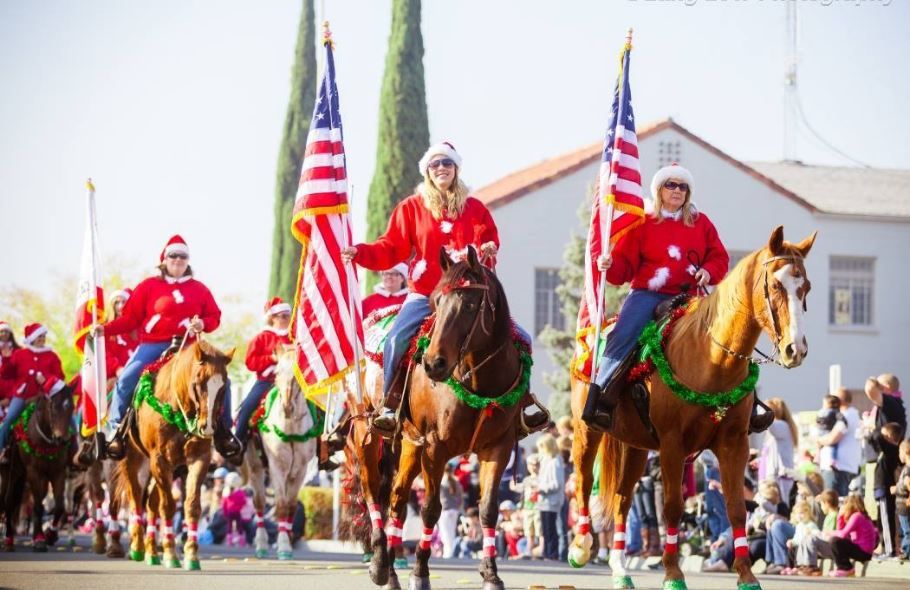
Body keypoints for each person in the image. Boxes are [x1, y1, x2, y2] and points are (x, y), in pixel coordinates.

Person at [340, 142, 545, 434]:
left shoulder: (474, 208)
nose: (441, 169)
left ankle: (523, 407)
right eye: (435, 165)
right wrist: (359, 252)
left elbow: (489, 237)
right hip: (425, 294)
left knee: (521, 338)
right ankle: (390, 404)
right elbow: (390, 247)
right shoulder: (411, 208)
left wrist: (489, 246)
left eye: (447, 164)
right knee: (396, 340)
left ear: (456, 168)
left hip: (468, 298)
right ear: (426, 171)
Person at [582, 163, 730, 431]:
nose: (677, 190)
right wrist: (608, 264)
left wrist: (708, 272)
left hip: (691, 297)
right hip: (648, 294)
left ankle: (745, 405)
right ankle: (601, 398)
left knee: (729, 334)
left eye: (682, 186)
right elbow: (622, 270)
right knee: (623, 333)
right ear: (659, 190)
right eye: (671, 185)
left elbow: (719, 257)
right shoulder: (643, 223)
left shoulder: (701, 223)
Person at [91, 235, 240, 461]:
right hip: (154, 344)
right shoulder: (148, 286)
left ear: (188, 260)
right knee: (126, 379)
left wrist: (203, 324)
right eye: (173, 255)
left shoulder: (199, 289)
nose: (178, 260)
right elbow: (130, 318)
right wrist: (105, 329)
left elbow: (215, 316)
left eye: (183, 256)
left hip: (190, 347)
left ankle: (223, 432)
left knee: (221, 379)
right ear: (164, 258)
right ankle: (116, 432)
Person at [0, 323, 67, 464]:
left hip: (46, 396)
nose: (42, 339)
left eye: (43, 336)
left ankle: (73, 455)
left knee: (67, 419)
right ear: (31, 338)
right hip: (22, 397)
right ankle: (2, 449)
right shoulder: (20, 354)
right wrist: (6, 359)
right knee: (9, 420)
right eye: (39, 336)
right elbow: (6, 374)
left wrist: (46, 380)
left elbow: (61, 376)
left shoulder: (52, 356)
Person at [235, 297, 293, 448]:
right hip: (268, 382)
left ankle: (324, 449)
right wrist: (272, 358)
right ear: (272, 318)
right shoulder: (262, 337)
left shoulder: (296, 337)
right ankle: (237, 443)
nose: (287, 319)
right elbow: (250, 362)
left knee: (317, 407)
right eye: (283, 316)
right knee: (247, 407)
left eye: (289, 315)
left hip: (294, 382)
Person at [864, 373, 906, 556]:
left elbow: (870, 389)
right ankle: (886, 545)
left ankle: (889, 548)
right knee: (884, 506)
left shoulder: (889, 401)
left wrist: (872, 381)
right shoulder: (893, 405)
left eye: (881, 387)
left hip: (887, 463)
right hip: (887, 461)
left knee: (886, 506)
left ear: (886, 388)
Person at [758, 398, 798, 506]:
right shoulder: (781, 428)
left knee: (778, 507)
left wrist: (763, 411)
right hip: (774, 476)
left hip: (779, 477)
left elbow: (770, 425)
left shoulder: (782, 426)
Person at [828, 494, 878, 577]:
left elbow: (842, 534)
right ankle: (843, 568)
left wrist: (829, 533)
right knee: (836, 540)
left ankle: (846, 568)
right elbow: (840, 531)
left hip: (863, 552)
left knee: (834, 540)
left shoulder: (857, 516)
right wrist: (840, 517)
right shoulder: (860, 516)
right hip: (864, 551)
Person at [536, 434, 565, 560]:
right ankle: (547, 553)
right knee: (545, 529)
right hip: (543, 501)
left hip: (551, 501)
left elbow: (556, 483)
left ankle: (552, 553)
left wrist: (541, 488)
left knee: (550, 528)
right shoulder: (546, 460)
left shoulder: (555, 461)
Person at [829, 387, 862, 496]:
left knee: (836, 498)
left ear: (840, 400)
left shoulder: (846, 415)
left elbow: (833, 438)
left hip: (841, 466)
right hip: (847, 466)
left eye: (834, 398)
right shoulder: (854, 414)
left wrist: (819, 440)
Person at [816, 394, 848, 493]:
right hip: (827, 464)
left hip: (831, 468)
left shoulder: (828, 413)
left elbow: (831, 439)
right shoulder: (834, 414)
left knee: (831, 493)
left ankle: (825, 460)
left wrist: (820, 440)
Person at [439, 461, 464, 559]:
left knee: (445, 533)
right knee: (452, 532)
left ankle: (447, 554)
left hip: (445, 510)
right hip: (454, 510)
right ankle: (450, 552)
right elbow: (460, 497)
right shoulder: (456, 481)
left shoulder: (441, 481)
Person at [0, 320, 20, 408]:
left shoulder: (18, 351)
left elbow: (21, 374)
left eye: (7, 331)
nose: (4, 334)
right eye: (1, 331)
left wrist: (9, 397)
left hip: (14, 392)